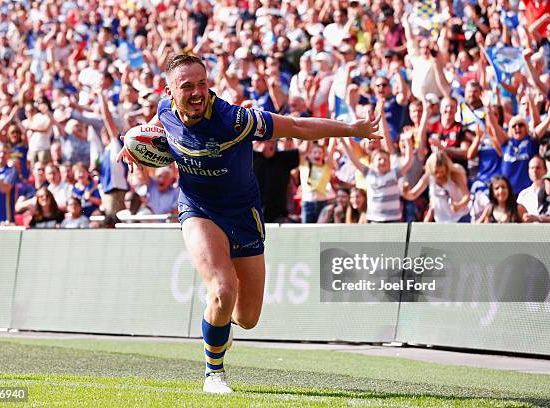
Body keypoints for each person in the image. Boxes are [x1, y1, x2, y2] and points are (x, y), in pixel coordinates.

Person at [116, 55, 380, 394]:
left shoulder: (235, 119)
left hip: (243, 216)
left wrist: (350, 129)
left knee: (247, 318)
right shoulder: (164, 112)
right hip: (198, 210)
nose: (197, 92)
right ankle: (214, 374)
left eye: (202, 83)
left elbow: (296, 127)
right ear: (168, 92)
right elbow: (150, 137)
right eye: (187, 87)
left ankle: (220, 324)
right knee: (222, 288)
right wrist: (130, 147)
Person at [403, 151, 471, 223]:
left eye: (442, 172)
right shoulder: (428, 177)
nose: (439, 175)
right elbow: (412, 195)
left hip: (460, 218)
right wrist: (405, 191)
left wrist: (458, 205)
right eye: (436, 172)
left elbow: (467, 196)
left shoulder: (454, 175)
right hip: (441, 222)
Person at [253, 139, 300, 223]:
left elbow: (304, 151)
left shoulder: (283, 158)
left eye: (274, 141)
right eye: (269, 141)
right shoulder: (252, 158)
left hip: (279, 215)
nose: (272, 144)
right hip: (256, 214)